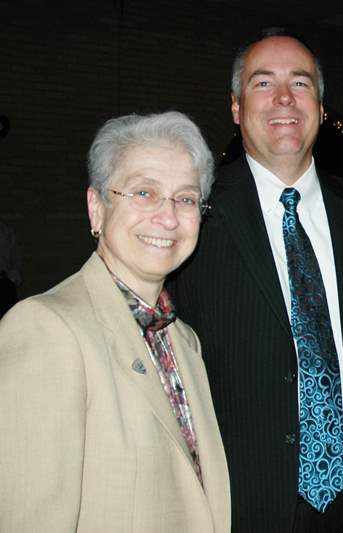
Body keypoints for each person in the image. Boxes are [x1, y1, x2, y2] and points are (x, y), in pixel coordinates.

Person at [170, 28, 343, 533]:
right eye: (262, 84)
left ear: (321, 108)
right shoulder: (194, 213)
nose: (283, 97)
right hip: (240, 502)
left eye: (300, 84)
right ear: (235, 108)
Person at [0, 111, 230, 532]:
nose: (167, 216)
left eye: (185, 198)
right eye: (144, 192)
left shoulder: (184, 341)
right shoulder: (46, 330)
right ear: (96, 207)